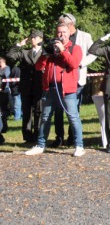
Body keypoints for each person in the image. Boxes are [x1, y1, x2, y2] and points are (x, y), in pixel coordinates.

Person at [25, 23, 85, 157]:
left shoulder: (75, 48)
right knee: (45, 117)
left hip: (67, 89)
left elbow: (74, 64)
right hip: (50, 88)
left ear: (69, 33)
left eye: (64, 32)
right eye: (59, 32)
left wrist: (63, 51)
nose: (61, 35)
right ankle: (40, 145)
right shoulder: (51, 49)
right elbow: (38, 67)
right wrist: (45, 55)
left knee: (73, 117)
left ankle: (79, 145)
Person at [56, 13, 96, 147]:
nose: (62, 29)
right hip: (60, 78)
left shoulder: (85, 36)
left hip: (77, 77)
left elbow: (94, 53)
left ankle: (72, 138)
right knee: (58, 109)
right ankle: (59, 137)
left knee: (73, 110)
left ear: (71, 25)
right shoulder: (58, 37)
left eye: (65, 25)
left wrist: (81, 63)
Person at [7, 30, 44, 142]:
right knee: (27, 112)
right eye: (31, 37)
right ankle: (27, 136)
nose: (32, 39)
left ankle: (38, 135)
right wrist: (19, 45)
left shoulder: (44, 52)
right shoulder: (24, 52)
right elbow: (10, 56)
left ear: (40, 39)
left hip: (39, 86)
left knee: (38, 112)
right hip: (26, 87)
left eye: (34, 37)